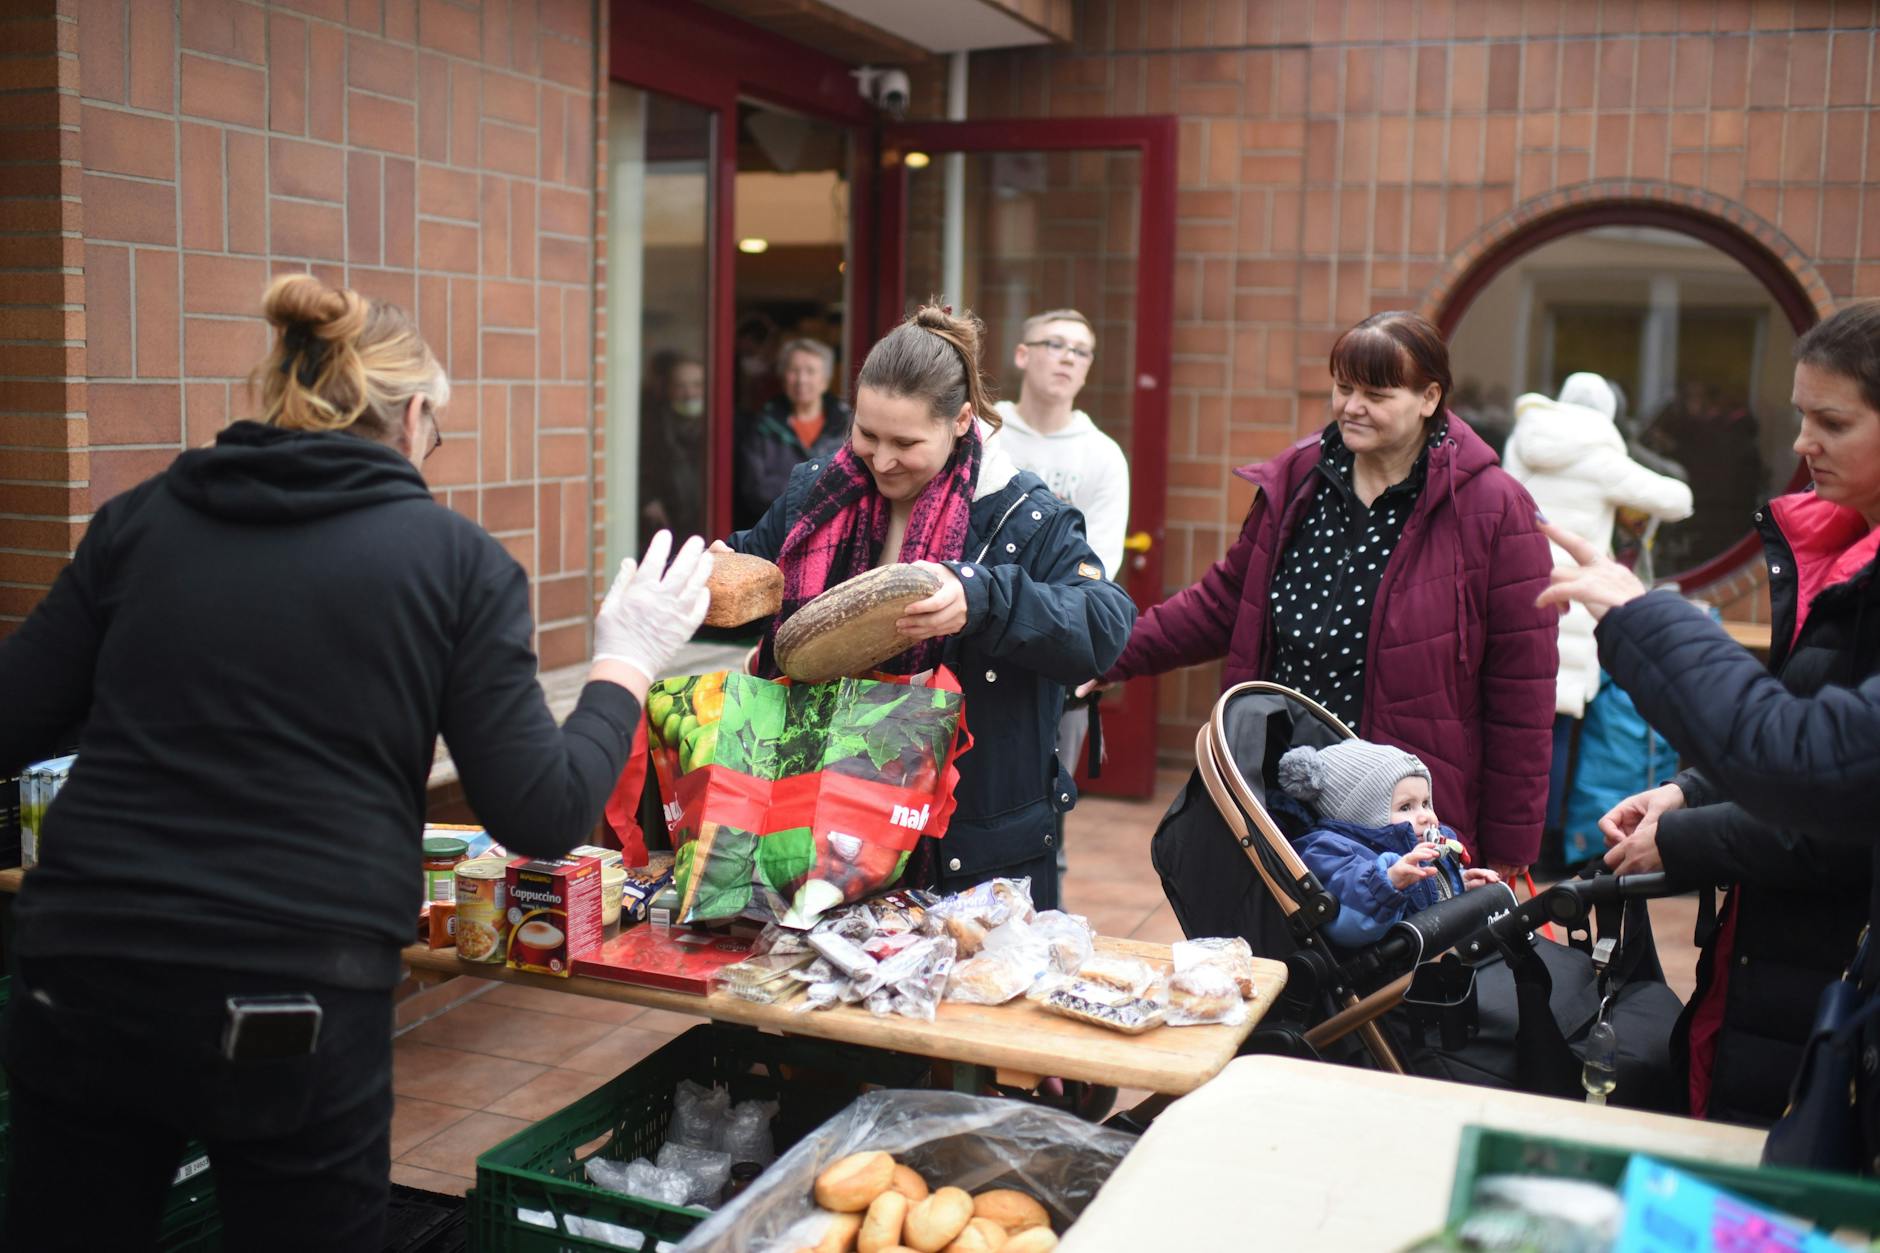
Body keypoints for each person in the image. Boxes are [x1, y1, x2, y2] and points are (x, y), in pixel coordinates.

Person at [0, 275, 714, 1251]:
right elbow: (544, 809)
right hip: (287, 996)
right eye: (439, 431)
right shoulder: (453, 562)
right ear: (414, 414)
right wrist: (626, 656)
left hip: (81, 969)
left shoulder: (140, 521)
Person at [1542, 304, 1880, 1127]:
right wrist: (1692, 790)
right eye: (1802, 415)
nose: (1803, 443)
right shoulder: (1841, 551)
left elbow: (1818, 776)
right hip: (1785, 965)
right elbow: (1813, 715)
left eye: (1831, 421)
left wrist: (1638, 612)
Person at [1084, 310, 1557, 882]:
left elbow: (1521, 694)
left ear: (1429, 397)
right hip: (1287, 794)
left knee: (1403, 965)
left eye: (1376, 394)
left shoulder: (1494, 508)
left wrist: (1510, 847)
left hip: (1402, 817)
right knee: (1280, 958)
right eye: (1343, 387)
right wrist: (1114, 654)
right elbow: (1225, 601)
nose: (1352, 406)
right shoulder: (1301, 480)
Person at [719, 304, 1135, 910]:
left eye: (906, 442)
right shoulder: (817, 493)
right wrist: (708, 572)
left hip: (965, 854)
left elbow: (1104, 624)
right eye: (867, 434)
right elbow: (758, 574)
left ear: (962, 421)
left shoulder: (1027, 517)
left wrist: (982, 596)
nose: (882, 460)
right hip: (814, 827)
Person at [1502, 372, 1694, 867]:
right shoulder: (1601, 453)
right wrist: (1632, 461)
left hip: (1512, 598)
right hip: (1569, 611)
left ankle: (1507, 840)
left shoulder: (1523, 442)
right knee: (1558, 735)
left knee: (1514, 729)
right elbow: (1678, 500)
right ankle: (1545, 849)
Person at [991, 308, 1129, 869]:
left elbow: (1101, 564)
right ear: (1023, 354)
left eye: (1081, 350)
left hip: (1053, 653)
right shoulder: (985, 428)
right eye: (1055, 344)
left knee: (1044, 809)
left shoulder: (1101, 456)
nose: (1068, 357)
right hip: (974, 629)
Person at [1275, 740, 1502, 950]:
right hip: (1385, 975)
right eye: (1406, 807)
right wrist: (1388, 884)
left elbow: (1427, 896)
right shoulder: (1326, 851)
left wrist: (1459, 884)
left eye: (1425, 803)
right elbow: (1348, 925)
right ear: (1361, 813)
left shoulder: (1418, 841)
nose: (1426, 816)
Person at [735, 337, 853, 530]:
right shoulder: (764, 424)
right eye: (794, 370)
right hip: (773, 530)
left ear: (825, 380)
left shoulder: (845, 424)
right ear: (783, 376)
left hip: (832, 530)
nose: (801, 379)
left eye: (810, 371)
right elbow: (754, 489)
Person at [640, 351, 708, 537]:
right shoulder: (650, 428)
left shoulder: (721, 428)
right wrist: (647, 500)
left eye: (697, 385)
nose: (689, 394)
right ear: (668, 389)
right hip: (665, 528)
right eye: (680, 386)